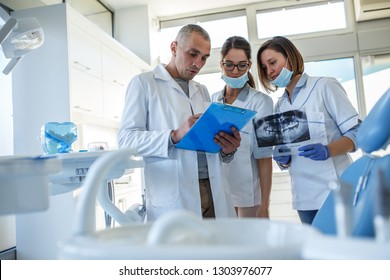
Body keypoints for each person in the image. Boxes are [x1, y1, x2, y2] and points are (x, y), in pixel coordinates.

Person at [118, 24, 240, 222]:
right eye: (193, 54)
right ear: (174, 47)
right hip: (175, 195)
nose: (198, 63)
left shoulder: (202, 90)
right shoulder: (144, 83)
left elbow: (208, 146)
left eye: (204, 58)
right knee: (183, 252)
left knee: (220, 251)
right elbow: (126, 139)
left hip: (214, 189)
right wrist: (174, 135)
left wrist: (228, 149)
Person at [256, 36, 361, 224]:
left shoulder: (324, 86)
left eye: (273, 63)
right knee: (315, 251)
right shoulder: (279, 106)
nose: (270, 71)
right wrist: (283, 158)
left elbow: (357, 133)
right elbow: (287, 153)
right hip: (303, 197)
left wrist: (328, 150)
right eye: (265, 68)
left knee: (342, 251)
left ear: (289, 57)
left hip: (334, 190)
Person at [211, 36, 273, 218]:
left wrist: (265, 205)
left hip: (250, 196)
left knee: (250, 244)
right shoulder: (213, 101)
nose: (235, 71)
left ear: (249, 65)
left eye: (241, 65)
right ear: (221, 64)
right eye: (229, 64)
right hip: (220, 192)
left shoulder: (261, 102)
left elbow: (264, 157)